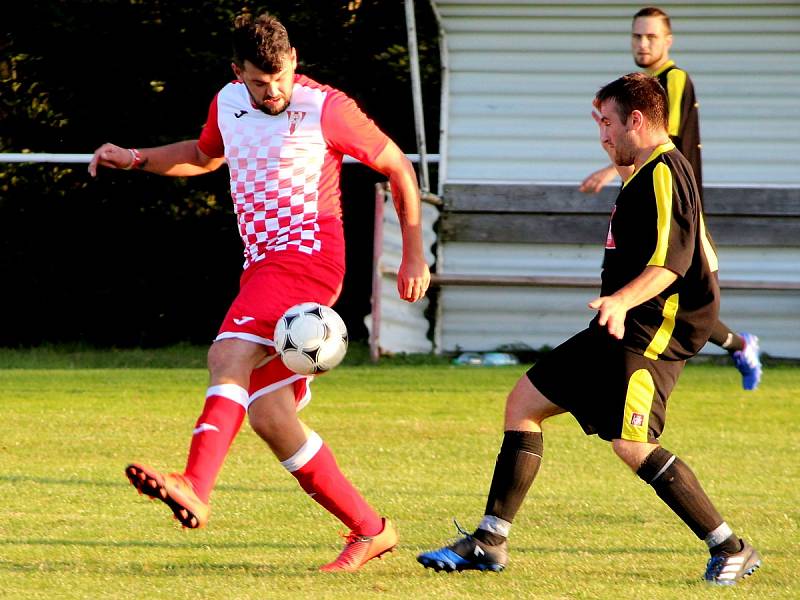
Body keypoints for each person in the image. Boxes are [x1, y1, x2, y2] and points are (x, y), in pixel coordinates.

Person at [88, 12, 430, 573]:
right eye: (259, 82)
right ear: (237, 73)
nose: (272, 92)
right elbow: (204, 155)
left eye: (281, 78)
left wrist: (414, 252)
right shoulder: (228, 102)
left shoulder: (327, 107)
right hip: (261, 266)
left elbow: (397, 166)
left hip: (308, 261)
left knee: (227, 353)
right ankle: (371, 529)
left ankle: (195, 483)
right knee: (270, 414)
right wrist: (136, 158)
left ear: (294, 61)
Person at [417, 73, 761, 586]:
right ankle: (489, 541)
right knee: (524, 404)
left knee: (631, 443)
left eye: (607, 123)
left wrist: (622, 301)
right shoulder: (643, 170)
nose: (601, 134)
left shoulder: (666, 172)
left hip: (651, 330)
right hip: (619, 323)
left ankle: (730, 547)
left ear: (637, 121)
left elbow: (673, 262)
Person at [579, 6, 762, 390]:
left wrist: (610, 169)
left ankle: (740, 345)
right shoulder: (635, 89)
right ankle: (740, 345)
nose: (642, 43)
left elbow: (664, 142)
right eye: (636, 36)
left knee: (683, 289)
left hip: (677, 202)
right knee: (673, 288)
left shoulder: (671, 80)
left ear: (667, 41)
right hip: (657, 201)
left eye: (651, 36)